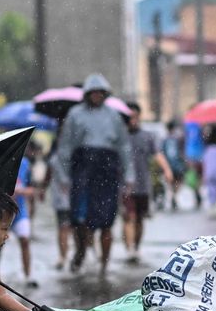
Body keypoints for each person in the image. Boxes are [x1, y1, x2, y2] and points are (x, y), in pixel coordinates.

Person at [53, 73, 135, 276]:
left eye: (101, 92)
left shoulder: (114, 116)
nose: (97, 95)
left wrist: (129, 175)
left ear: (105, 94)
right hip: (82, 170)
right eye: (93, 92)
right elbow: (65, 147)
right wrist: (63, 176)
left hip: (107, 171)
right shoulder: (75, 114)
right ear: (87, 93)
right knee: (80, 218)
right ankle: (80, 252)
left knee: (107, 221)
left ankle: (104, 265)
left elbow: (124, 147)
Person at [124, 102, 173, 265]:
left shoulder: (147, 136)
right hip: (125, 185)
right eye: (130, 117)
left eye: (135, 116)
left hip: (143, 184)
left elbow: (157, 154)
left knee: (139, 218)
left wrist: (167, 170)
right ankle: (130, 249)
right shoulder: (120, 137)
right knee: (129, 217)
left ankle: (136, 246)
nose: (133, 120)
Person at [43, 127, 71, 270]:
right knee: (65, 228)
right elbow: (47, 177)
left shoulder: (56, 157)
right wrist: (42, 189)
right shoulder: (55, 158)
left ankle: (65, 257)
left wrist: (42, 189)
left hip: (70, 199)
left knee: (66, 228)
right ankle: (64, 256)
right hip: (63, 199)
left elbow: (47, 177)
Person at [11, 142, 37, 288]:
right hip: (0, 213)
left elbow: (32, 189)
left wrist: (21, 192)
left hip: (20, 212)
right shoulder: (2, 163)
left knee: (25, 240)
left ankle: (28, 276)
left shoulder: (26, 164)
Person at [162, 120, 187, 210]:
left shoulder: (165, 140)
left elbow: (162, 153)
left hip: (168, 165)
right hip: (177, 165)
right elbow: (182, 151)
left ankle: (173, 195)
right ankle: (174, 195)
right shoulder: (178, 138)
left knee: (171, 182)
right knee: (179, 181)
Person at [184, 115, 205, 209]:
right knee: (197, 175)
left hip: (191, 153)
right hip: (199, 153)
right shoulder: (200, 124)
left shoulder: (188, 124)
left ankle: (197, 192)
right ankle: (197, 192)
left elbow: (186, 138)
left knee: (194, 175)